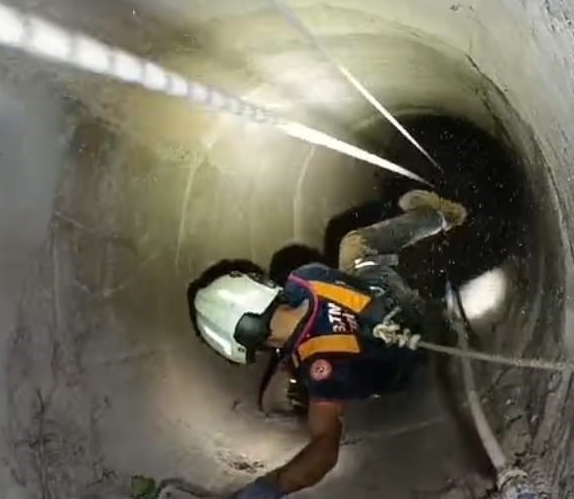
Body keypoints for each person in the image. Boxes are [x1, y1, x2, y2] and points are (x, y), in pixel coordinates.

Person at [188, 190, 467, 499]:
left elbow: (324, 447)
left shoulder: (315, 360)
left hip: (404, 325)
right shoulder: (306, 294)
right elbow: (323, 447)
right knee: (354, 246)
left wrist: (269, 489)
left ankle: (436, 246)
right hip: (410, 330)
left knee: (356, 253)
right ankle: (439, 217)